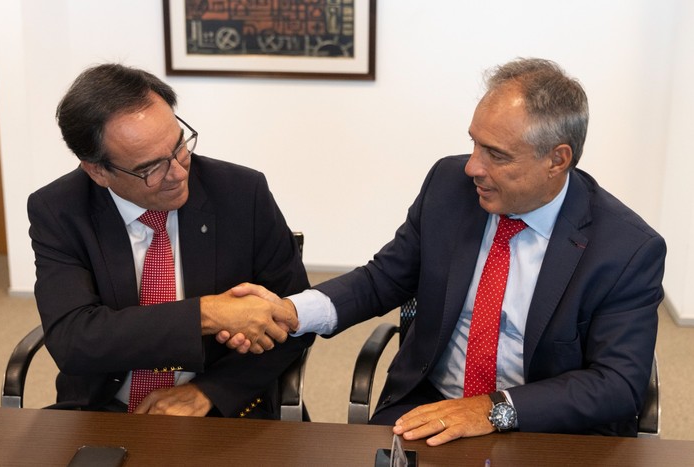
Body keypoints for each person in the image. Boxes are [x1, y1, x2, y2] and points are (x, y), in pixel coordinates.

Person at [224, 58, 666, 444]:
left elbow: (617, 384)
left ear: (557, 159)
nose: (473, 166)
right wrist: (293, 311)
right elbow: (384, 278)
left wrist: (492, 410)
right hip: (428, 405)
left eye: (496, 154)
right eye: (474, 142)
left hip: (547, 428)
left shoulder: (625, 248)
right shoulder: (449, 185)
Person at [27, 63, 312, 418]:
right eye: (150, 168)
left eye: (180, 146)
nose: (178, 172)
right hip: (104, 409)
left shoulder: (241, 193)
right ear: (98, 170)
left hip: (225, 408)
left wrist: (209, 392)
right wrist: (206, 314)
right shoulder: (59, 210)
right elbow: (74, 339)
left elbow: (295, 317)